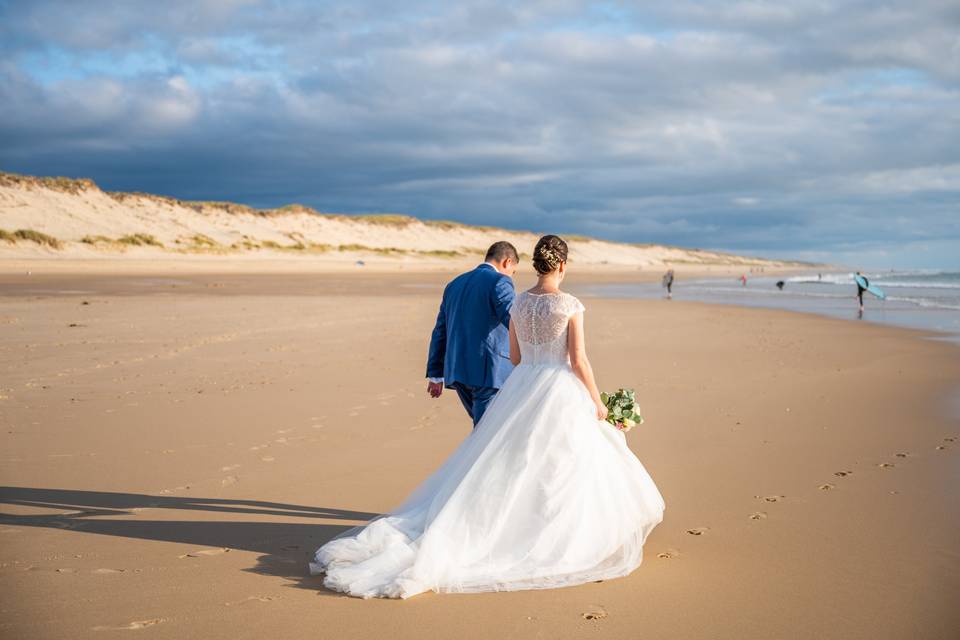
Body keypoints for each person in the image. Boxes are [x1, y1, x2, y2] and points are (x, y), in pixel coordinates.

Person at [309, 235, 665, 599]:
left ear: (536, 265)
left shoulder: (520, 303)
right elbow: (579, 361)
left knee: (506, 457)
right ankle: (549, 531)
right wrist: (597, 400)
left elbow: (514, 357)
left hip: (522, 385)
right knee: (560, 461)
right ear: (562, 266)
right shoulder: (570, 305)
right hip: (559, 387)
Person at [425, 241, 518, 427]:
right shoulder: (500, 281)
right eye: (513, 271)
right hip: (490, 372)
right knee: (487, 434)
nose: (511, 275)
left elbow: (440, 331)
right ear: (508, 262)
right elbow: (514, 321)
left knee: (484, 430)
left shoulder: (454, 284)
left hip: (458, 372)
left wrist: (436, 374)